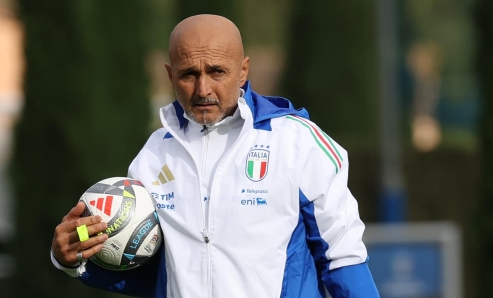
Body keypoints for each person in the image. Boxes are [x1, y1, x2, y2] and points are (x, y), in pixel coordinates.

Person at [51, 14, 380, 298]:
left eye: (217, 72)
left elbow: (342, 257)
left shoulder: (297, 143)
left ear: (243, 71)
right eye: (188, 74)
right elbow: (154, 272)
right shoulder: (153, 155)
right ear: (170, 75)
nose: (203, 88)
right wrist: (72, 257)